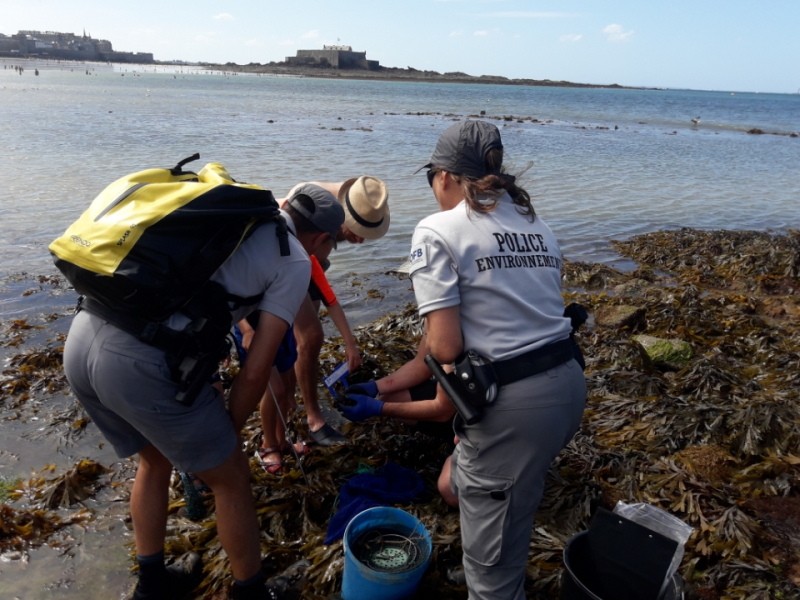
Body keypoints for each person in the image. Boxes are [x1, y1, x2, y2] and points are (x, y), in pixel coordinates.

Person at [62, 187, 319, 600]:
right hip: (135, 361)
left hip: (82, 336)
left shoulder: (232, 218)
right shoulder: (293, 259)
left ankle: (153, 585)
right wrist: (229, 434)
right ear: (321, 238)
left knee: (155, 459)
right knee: (231, 478)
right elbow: (257, 369)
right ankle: (251, 595)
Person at [409, 120, 587, 599]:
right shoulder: (537, 225)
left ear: (443, 176)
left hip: (515, 406)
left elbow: (444, 348)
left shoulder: (436, 230)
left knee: (492, 579)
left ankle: (494, 578)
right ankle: (498, 545)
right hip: (568, 386)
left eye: (432, 180)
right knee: (488, 488)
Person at [235, 185, 357, 473]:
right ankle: (268, 444)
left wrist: (350, 342)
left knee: (287, 389)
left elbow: (329, 298)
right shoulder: (266, 243)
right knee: (274, 388)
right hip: (251, 324)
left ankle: (282, 439)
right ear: (322, 238)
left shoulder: (303, 258)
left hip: (278, 325)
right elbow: (230, 292)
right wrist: (245, 331)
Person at [281, 177, 390, 446]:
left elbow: (329, 298)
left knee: (308, 334)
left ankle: (297, 390)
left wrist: (350, 343)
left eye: (367, 233)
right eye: (356, 232)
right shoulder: (311, 208)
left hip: (311, 258)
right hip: (289, 257)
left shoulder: (367, 199)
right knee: (309, 336)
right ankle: (310, 416)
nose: (360, 241)